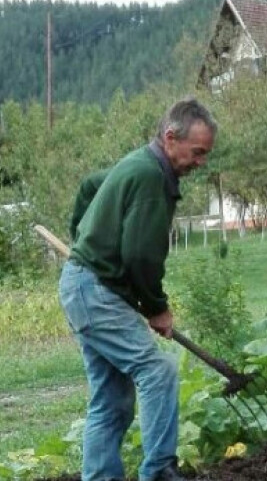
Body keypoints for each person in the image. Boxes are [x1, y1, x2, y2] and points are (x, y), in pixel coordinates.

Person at [59, 97, 217, 481]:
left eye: (205, 154)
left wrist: (83, 236)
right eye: (197, 152)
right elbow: (141, 256)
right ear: (170, 138)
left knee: (112, 401)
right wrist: (157, 307)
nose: (201, 162)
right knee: (158, 371)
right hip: (96, 291)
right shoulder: (149, 176)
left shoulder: (139, 164)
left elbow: (92, 185)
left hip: (85, 286)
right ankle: (160, 470)